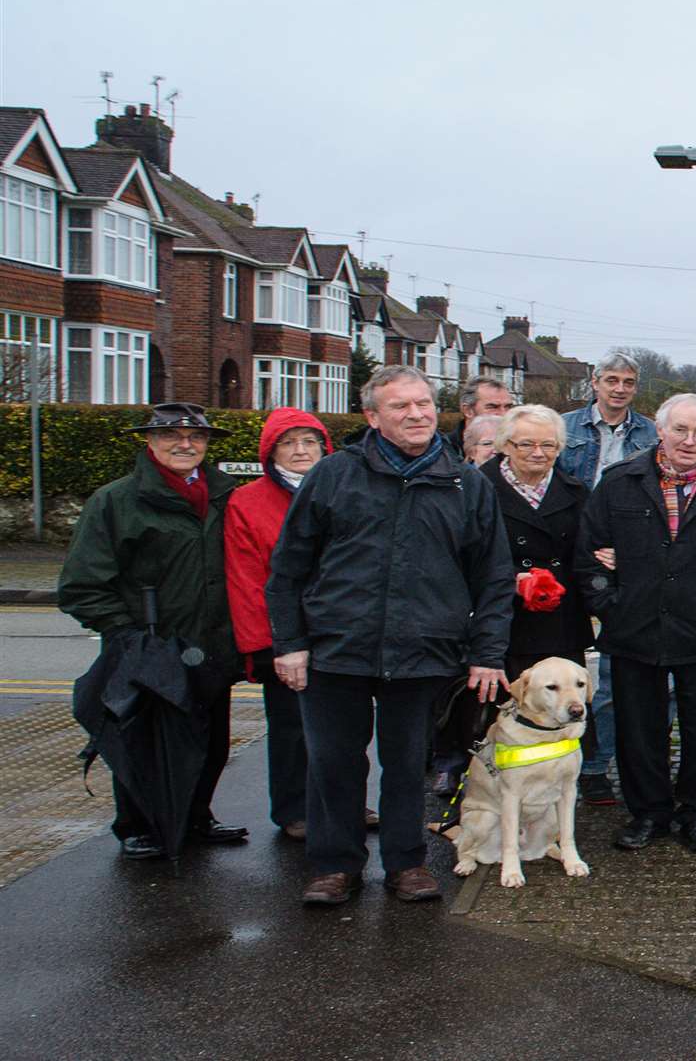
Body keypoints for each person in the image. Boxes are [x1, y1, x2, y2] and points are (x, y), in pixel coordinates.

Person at [267, 366, 514, 905]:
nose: (417, 414)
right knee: (333, 764)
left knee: (406, 766)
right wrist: (289, 643)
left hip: (425, 652)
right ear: (373, 417)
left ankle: (406, 864)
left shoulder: (465, 483)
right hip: (336, 650)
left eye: (424, 403)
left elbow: (493, 577)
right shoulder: (334, 475)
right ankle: (335, 866)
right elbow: (289, 568)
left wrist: (486, 654)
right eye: (400, 406)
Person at [577, 393, 696, 855]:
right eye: (680, 430)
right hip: (635, 628)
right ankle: (648, 812)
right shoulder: (619, 482)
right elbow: (589, 553)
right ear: (659, 431)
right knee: (638, 729)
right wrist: (611, 604)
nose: (690, 440)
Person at [59, 403, 248, 860]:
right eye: (171, 436)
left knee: (210, 742)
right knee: (143, 742)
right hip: (148, 649)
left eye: (195, 437)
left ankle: (195, 815)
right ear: (149, 441)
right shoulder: (116, 501)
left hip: (210, 647)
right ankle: (137, 824)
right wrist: (126, 634)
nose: (185, 445)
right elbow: (81, 585)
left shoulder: (225, 496)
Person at [224, 407, 377, 840]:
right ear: (270, 452)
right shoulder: (247, 501)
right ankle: (294, 808)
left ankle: (347, 803)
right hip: (286, 634)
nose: (300, 451)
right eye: (288, 443)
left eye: (309, 442)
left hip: (343, 631)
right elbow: (247, 577)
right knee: (292, 730)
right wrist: (267, 643)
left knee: (348, 730)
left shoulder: (346, 488)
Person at [558, 353, 661, 807]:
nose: (620, 389)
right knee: (575, 672)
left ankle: (609, 765)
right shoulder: (566, 428)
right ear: (594, 382)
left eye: (629, 382)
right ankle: (582, 764)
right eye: (612, 380)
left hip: (629, 557)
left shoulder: (651, 433)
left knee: (612, 673)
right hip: (577, 552)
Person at [481, 405, 594, 677]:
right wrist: (512, 580)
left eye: (548, 445)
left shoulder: (576, 492)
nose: (538, 453)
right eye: (526, 444)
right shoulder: (479, 488)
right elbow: (468, 555)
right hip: (504, 625)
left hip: (561, 624)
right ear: (505, 446)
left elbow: (586, 553)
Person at [455, 375, 514, 449]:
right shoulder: (445, 452)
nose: (503, 414)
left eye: (508, 407)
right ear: (468, 411)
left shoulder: (517, 448)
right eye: (493, 407)